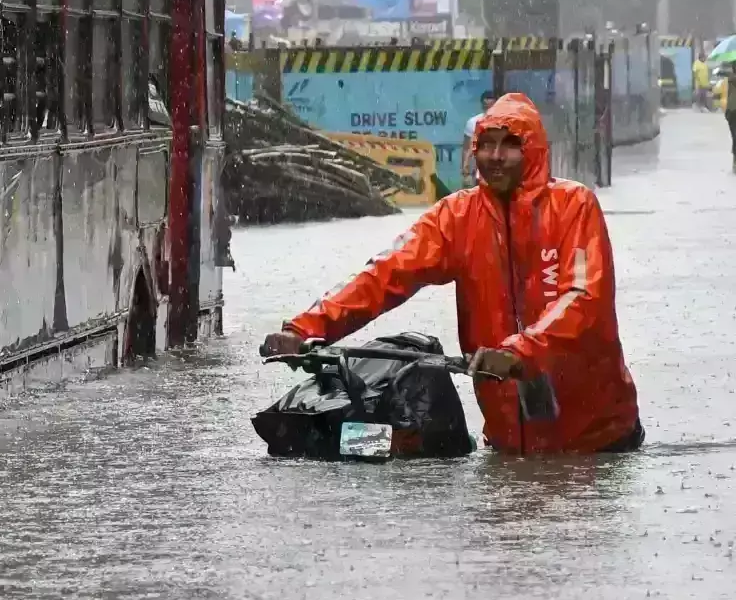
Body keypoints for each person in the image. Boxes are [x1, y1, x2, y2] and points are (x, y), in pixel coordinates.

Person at [260, 92, 643, 455]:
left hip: (600, 443)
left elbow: (583, 299)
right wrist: (305, 328)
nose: (495, 156)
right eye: (485, 145)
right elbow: (385, 273)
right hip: (508, 447)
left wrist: (517, 352)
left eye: (509, 144)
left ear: (534, 150)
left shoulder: (574, 206)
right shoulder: (457, 217)